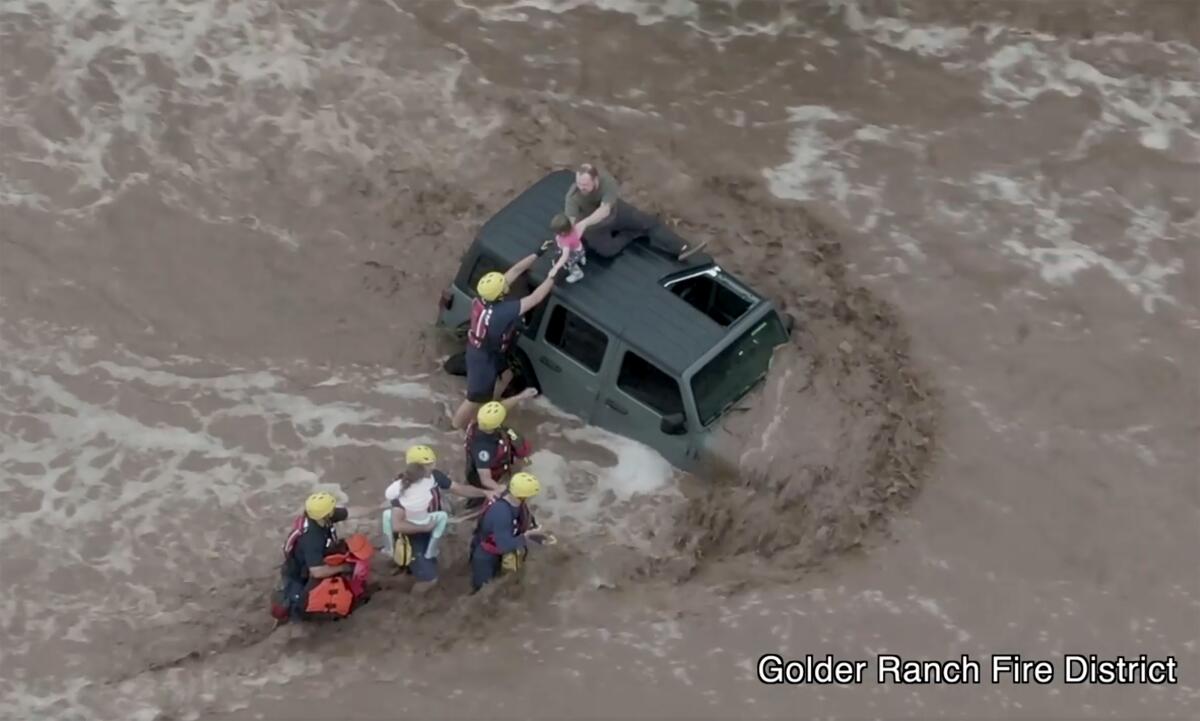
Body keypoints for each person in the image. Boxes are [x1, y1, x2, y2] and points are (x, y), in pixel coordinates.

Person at [451, 248, 570, 430]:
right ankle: (455, 427)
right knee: (474, 397)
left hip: (486, 347)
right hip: (482, 358)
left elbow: (514, 272)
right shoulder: (502, 313)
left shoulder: (483, 297)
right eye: (503, 286)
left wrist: (538, 253)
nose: (506, 285)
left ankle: (491, 406)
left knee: (506, 375)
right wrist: (554, 277)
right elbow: (536, 297)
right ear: (499, 294)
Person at [382, 444, 495, 593]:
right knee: (430, 579)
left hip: (428, 528)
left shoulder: (434, 476)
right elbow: (397, 525)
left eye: (432, 463)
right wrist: (425, 528)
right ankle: (412, 600)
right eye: (428, 464)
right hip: (411, 537)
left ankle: (407, 568)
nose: (433, 466)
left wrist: (485, 493)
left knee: (422, 563)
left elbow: (458, 489)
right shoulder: (402, 491)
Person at [564, 163, 707, 261]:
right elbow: (570, 220)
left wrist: (583, 224)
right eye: (579, 184)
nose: (581, 188)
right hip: (594, 229)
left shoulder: (607, 182)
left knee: (650, 223)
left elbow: (604, 210)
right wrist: (571, 236)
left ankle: (681, 247)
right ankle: (631, 233)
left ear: (595, 180)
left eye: (585, 184)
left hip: (615, 213)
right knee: (607, 252)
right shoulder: (573, 196)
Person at [273, 491, 373, 622]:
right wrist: (345, 567)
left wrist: (378, 507)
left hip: (315, 560)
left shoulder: (319, 516)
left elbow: (351, 512)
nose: (333, 512)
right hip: (302, 574)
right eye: (330, 511)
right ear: (323, 516)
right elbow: (317, 572)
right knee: (301, 609)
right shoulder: (312, 538)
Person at [468, 472, 554, 593]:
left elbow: (526, 525)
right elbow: (504, 546)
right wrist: (526, 537)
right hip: (485, 556)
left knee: (501, 586)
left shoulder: (518, 503)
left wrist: (540, 538)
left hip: (500, 549)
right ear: (523, 497)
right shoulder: (501, 512)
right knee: (483, 592)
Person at [463, 399, 535, 511]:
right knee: (477, 503)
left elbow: (501, 407)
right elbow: (485, 479)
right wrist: (502, 489)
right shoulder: (483, 449)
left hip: (498, 469)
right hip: (480, 477)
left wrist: (522, 396)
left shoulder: (479, 423)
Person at [549, 213, 586, 283]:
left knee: (570, 264)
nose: (556, 233)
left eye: (557, 232)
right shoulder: (573, 227)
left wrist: (555, 268)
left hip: (573, 253)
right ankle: (582, 259)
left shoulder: (566, 241)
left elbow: (564, 257)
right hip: (579, 248)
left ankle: (578, 274)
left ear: (562, 233)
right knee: (580, 254)